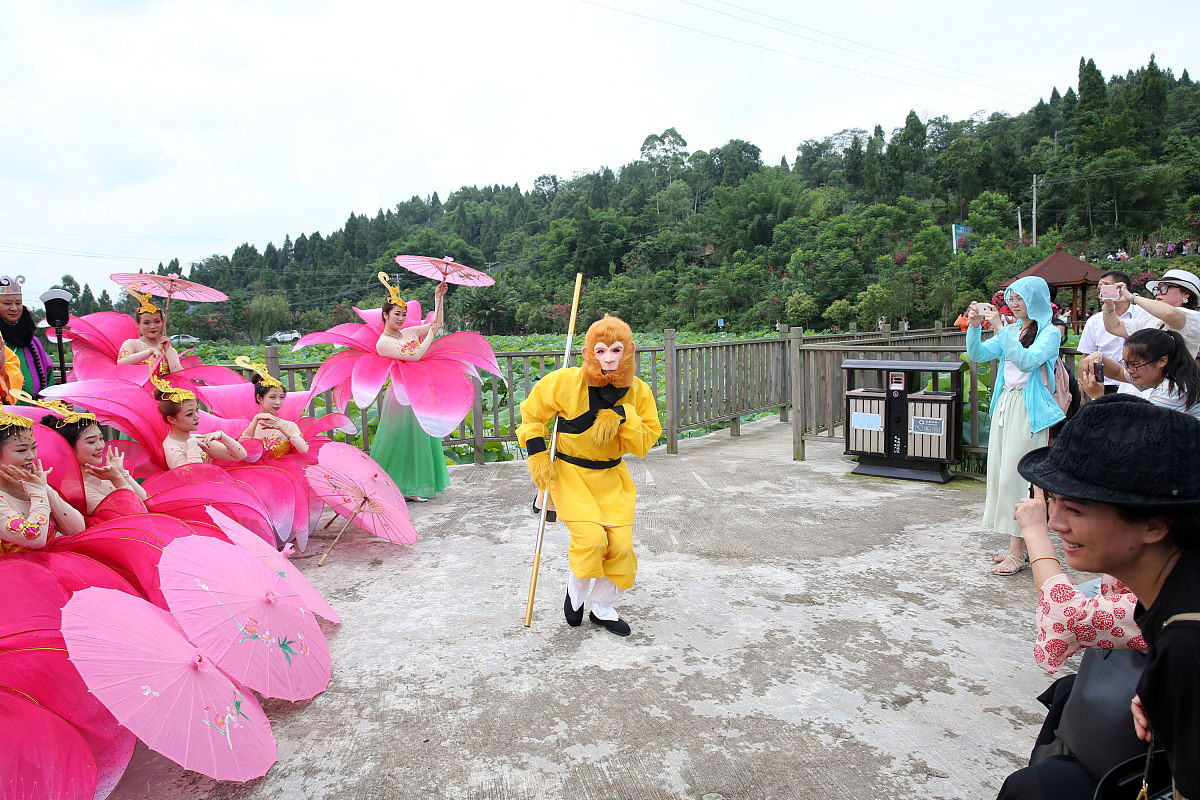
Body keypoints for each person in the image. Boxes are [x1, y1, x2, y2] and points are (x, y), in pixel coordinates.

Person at [1010, 395, 1200, 798]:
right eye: (1053, 502)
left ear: (1154, 524)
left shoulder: (1188, 643)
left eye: (1075, 509)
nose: (1056, 523)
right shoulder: (1172, 585)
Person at [517, 314, 661, 636]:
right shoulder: (566, 381)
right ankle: (576, 592)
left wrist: (623, 417)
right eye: (600, 351)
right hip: (571, 475)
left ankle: (602, 606)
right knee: (592, 540)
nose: (608, 359)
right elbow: (532, 415)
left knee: (621, 546)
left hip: (612, 478)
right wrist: (539, 454)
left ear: (628, 352)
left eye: (615, 351)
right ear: (587, 352)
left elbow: (645, 441)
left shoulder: (638, 391)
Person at [965, 276, 1065, 575]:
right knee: (1000, 474)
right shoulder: (1011, 330)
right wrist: (973, 327)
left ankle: (1018, 553)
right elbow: (978, 355)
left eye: (1020, 297)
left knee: (1019, 480)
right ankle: (1017, 548)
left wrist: (998, 329)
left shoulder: (1049, 333)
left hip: (1029, 410)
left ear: (1036, 299)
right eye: (1011, 297)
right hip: (1006, 406)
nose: (1014, 303)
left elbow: (1026, 361)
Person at [372, 275, 450, 501]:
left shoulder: (409, 332)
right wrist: (431, 335)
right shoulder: (383, 343)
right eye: (396, 314)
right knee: (398, 441)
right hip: (399, 395)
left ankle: (416, 487)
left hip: (418, 391)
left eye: (404, 314)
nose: (401, 318)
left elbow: (437, 324)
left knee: (420, 439)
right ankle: (390, 487)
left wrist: (438, 299)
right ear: (385, 315)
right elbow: (415, 355)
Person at [0, 411, 85, 552]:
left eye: (33, 448)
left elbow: (76, 528)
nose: (31, 456)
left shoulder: (33, 487)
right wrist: (39, 493)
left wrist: (44, 488)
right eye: (21, 450)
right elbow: (33, 537)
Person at [39, 410, 149, 515]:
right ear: (67, 448)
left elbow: (148, 503)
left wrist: (122, 473)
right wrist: (118, 479)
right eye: (91, 442)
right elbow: (136, 516)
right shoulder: (77, 492)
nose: (101, 446)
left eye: (101, 438)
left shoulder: (102, 473)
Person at [1079, 328, 1200, 419]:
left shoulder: (1170, 392)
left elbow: (1132, 431)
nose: (1129, 369)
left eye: (1135, 364)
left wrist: (1098, 397)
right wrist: (1099, 357)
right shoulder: (1172, 374)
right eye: (1125, 363)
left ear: (1162, 361)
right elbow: (1118, 372)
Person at [1076, 269, 1150, 394]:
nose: (1101, 295)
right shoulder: (1094, 321)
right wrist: (1082, 391)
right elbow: (1086, 356)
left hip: (1139, 385)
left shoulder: (1144, 314)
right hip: (1104, 386)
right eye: (1100, 291)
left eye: (1106, 289)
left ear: (1122, 288)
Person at [1102, 268, 1200, 359]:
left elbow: (1169, 313)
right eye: (1158, 288)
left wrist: (1132, 297)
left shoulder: (1192, 317)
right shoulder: (1152, 320)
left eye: (1165, 287)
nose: (1158, 292)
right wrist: (1109, 304)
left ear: (1186, 293)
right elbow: (1115, 327)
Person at [155, 377, 246, 468]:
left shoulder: (197, 439)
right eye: (189, 414)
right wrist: (192, 445)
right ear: (171, 419)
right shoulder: (173, 449)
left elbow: (240, 456)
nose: (197, 417)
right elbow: (194, 478)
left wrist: (221, 435)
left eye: (197, 411)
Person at [237, 361, 309, 459]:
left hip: (284, 471)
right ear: (259, 398)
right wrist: (256, 419)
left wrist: (281, 428)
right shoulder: (250, 426)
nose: (278, 402)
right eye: (272, 397)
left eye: (281, 397)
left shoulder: (289, 425)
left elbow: (303, 449)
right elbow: (240, 451)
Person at [0, 275, 54, 398]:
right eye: (7, 303)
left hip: (34, 409)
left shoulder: (32, 342)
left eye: (18, 303)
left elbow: (48, 374)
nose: (14, 308)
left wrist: (55, 400)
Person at [117, 289, 183, 373]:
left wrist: (168, 349)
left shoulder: (169, 349)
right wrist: (149, 352)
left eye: (157, 322)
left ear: (162, 323)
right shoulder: (132, 343)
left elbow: (179, 375)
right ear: (138, 324)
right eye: (146, 323)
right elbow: (121, 362)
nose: (152, 326)